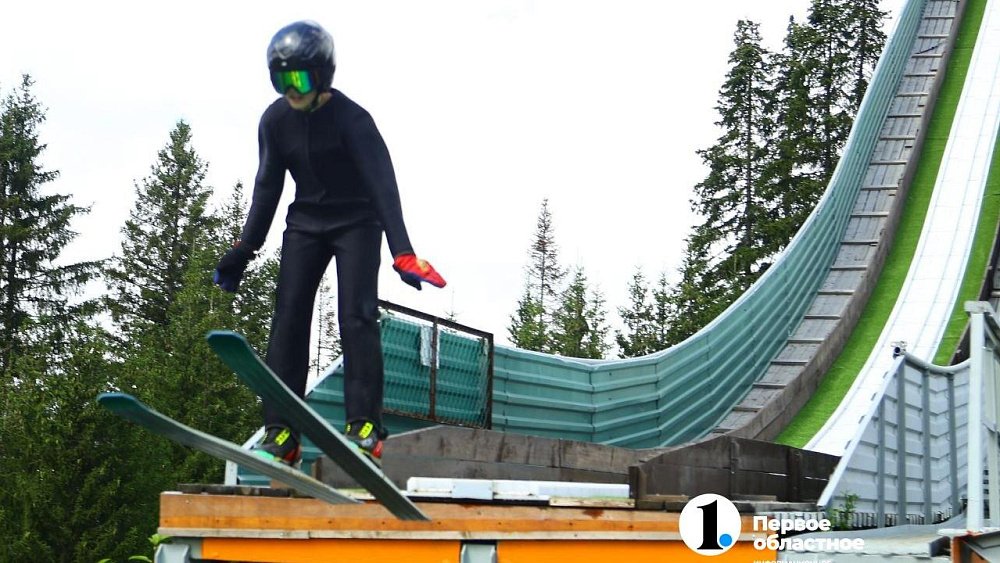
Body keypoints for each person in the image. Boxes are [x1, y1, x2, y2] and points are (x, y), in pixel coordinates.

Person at [213, 20, 446, 467]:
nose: (290, 90)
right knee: (288, 317)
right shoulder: (275, 120)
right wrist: (245, 250)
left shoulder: (355, 122)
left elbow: (384, 189)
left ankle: (364, 426)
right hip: (305, 223)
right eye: (280, 80)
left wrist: (402, 250)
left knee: (355, 316)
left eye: (298, 79)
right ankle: (281, 431)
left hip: (357, 222)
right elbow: (267, 187)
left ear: (323, 75)